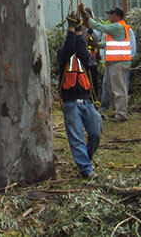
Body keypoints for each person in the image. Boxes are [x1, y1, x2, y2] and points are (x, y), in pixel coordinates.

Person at [58, 13, 102, 179]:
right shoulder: (64, 57)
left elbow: (83, 50)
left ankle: (86, 159)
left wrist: (78, 31)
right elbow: (69, 48)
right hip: (71, 103)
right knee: (76, 138)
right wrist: (71, 29)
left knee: (95, 133)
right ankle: (86, 169)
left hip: (87, 102)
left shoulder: (84, 59)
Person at [83, 6, 133, 122]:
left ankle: (121, 114)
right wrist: (97, 45)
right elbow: (109, 44)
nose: (109, 17)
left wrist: (87, 19)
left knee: (119, 88)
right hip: (114, 62)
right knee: (112, 88)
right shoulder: (118, 28)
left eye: (111, 14)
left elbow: (100, 27)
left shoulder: (118, 26)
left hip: (119, 62)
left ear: (117, 16)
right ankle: (117, 111)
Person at [100, 25, 136, 112]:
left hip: (122, 63)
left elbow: (132, 46)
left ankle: (122, 110)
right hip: (109, 63)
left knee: (122, 86)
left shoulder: (127, 30)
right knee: (107, 85)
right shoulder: (106, 31)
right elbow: (103, 46)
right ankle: (106, 107)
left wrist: (127, 60)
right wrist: (104, 59)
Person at [82, 7, 101, 98]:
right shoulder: (80, 28)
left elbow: (96, 38)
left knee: (93, 80)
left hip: (92, 59)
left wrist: (90, 29)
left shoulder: (95, 28)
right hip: (82, 59)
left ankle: (94, 97)